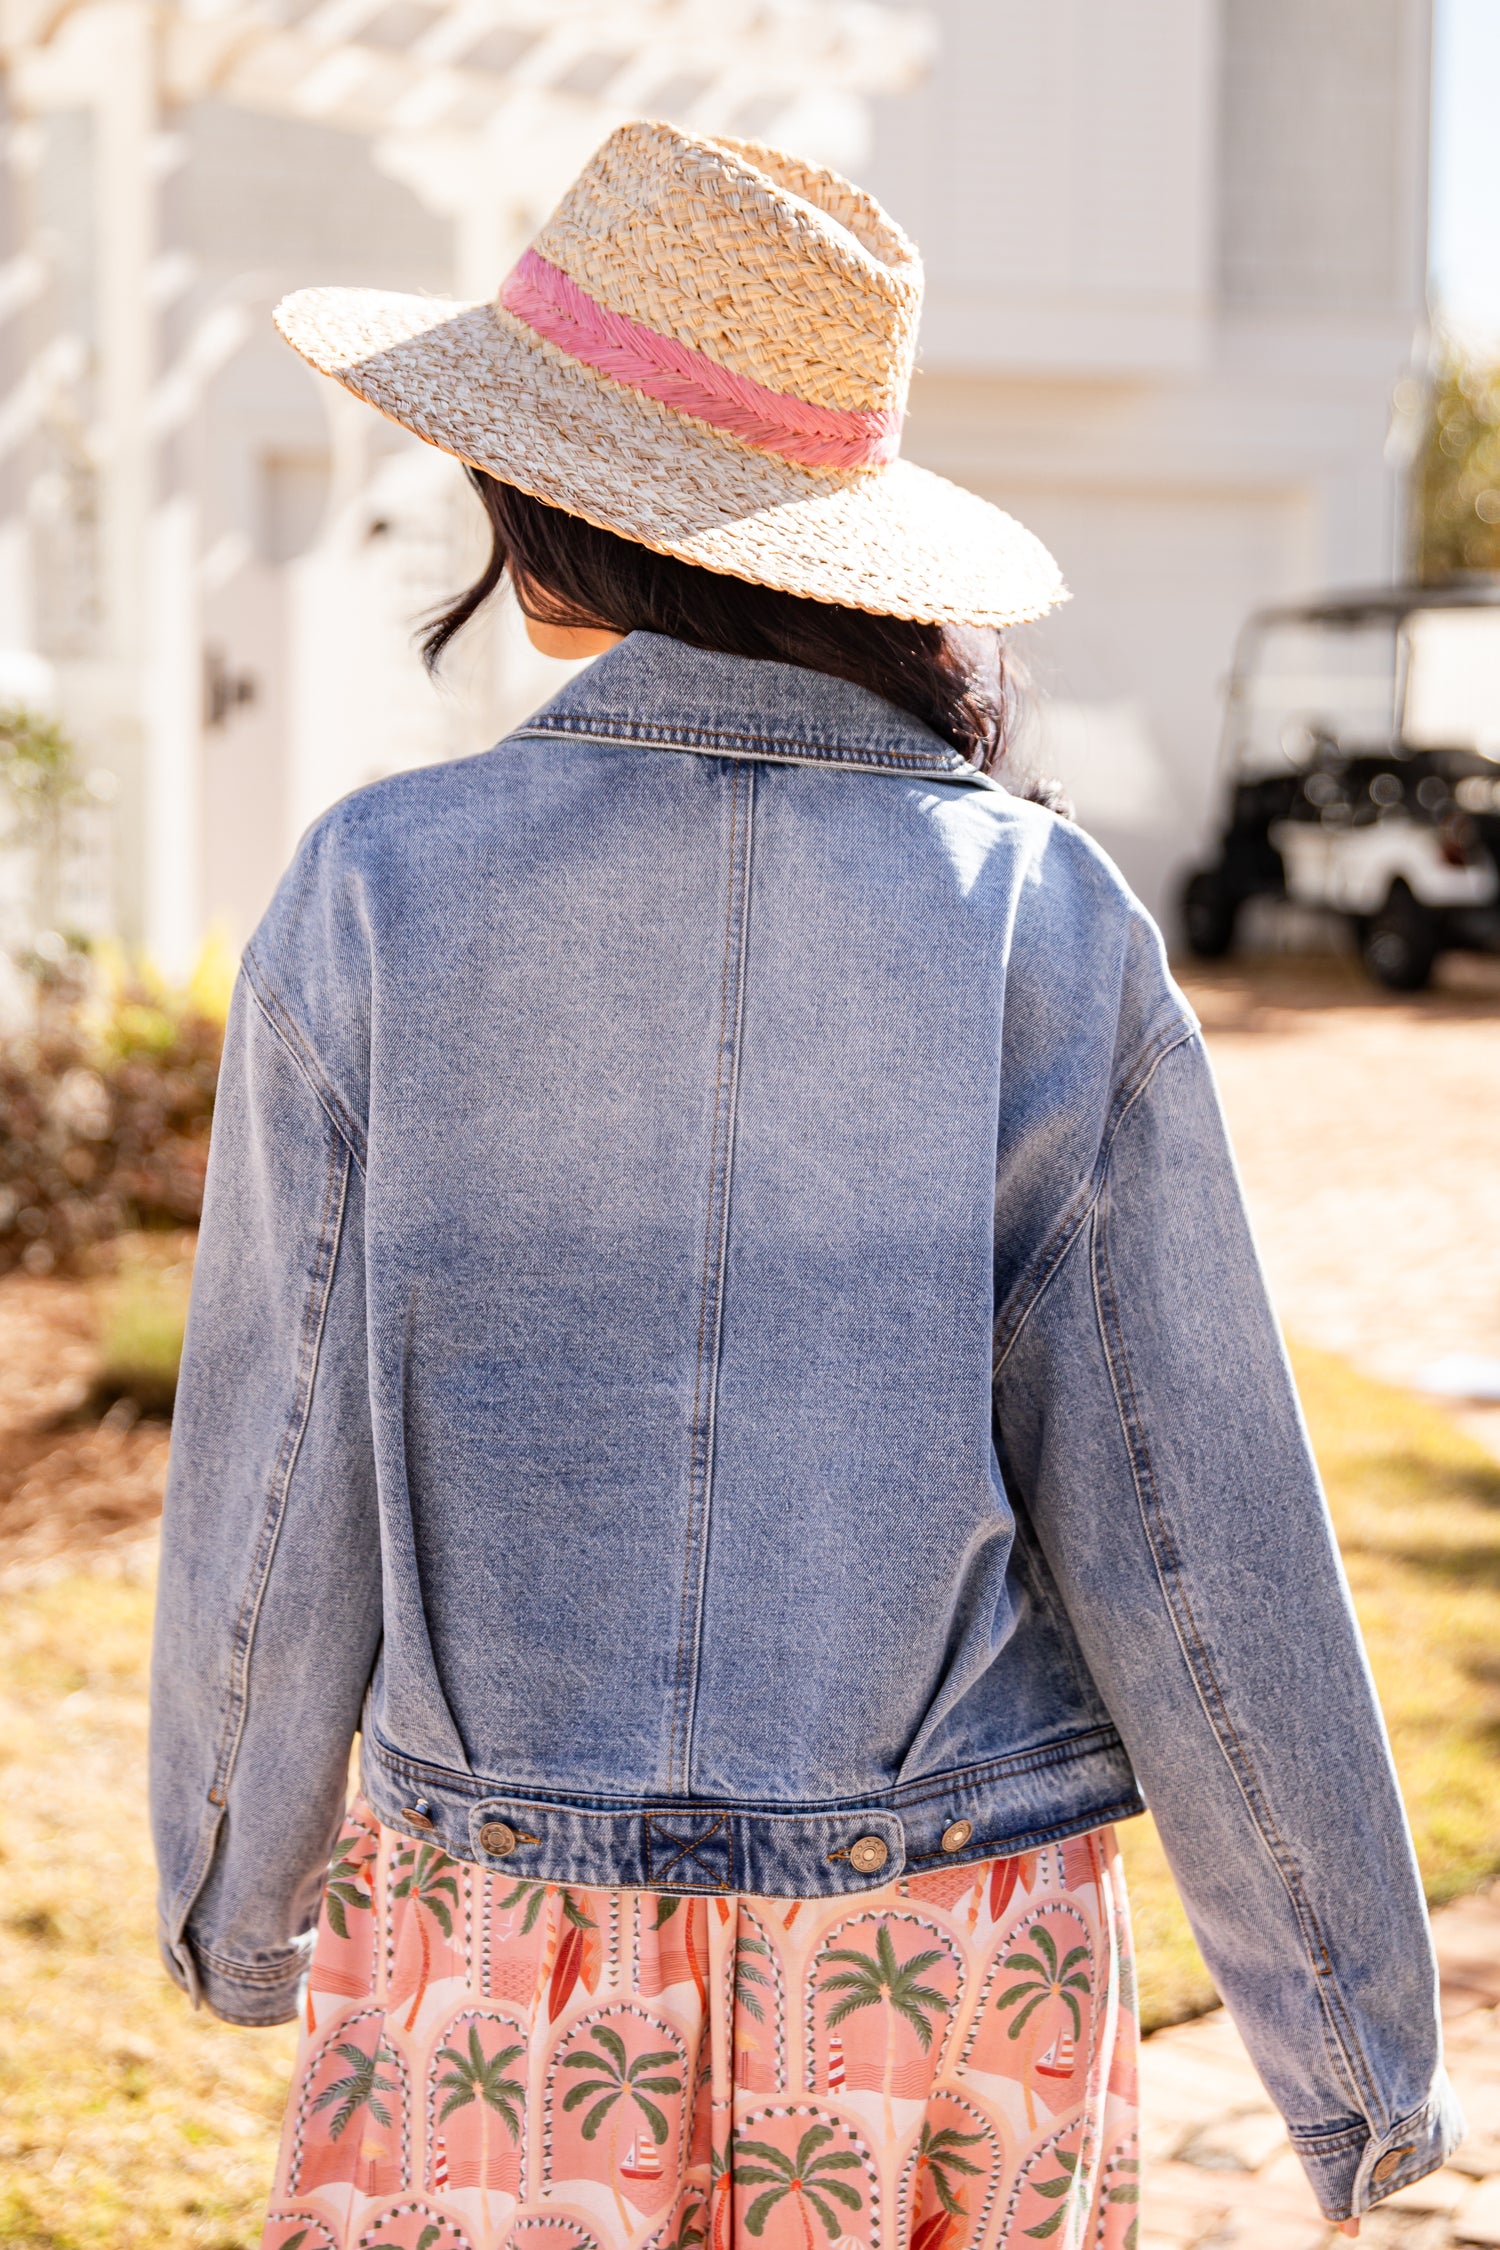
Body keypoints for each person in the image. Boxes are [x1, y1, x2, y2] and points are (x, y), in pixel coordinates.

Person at [149, 121, 1458, 2250]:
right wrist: (1352, 2058)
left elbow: (276, 1464)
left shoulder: (374, 899)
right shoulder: (1043, 919)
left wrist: (235, 1887)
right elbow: (1192, 1521)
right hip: (943, 1971)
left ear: (548, 497)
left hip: (508, 1952)